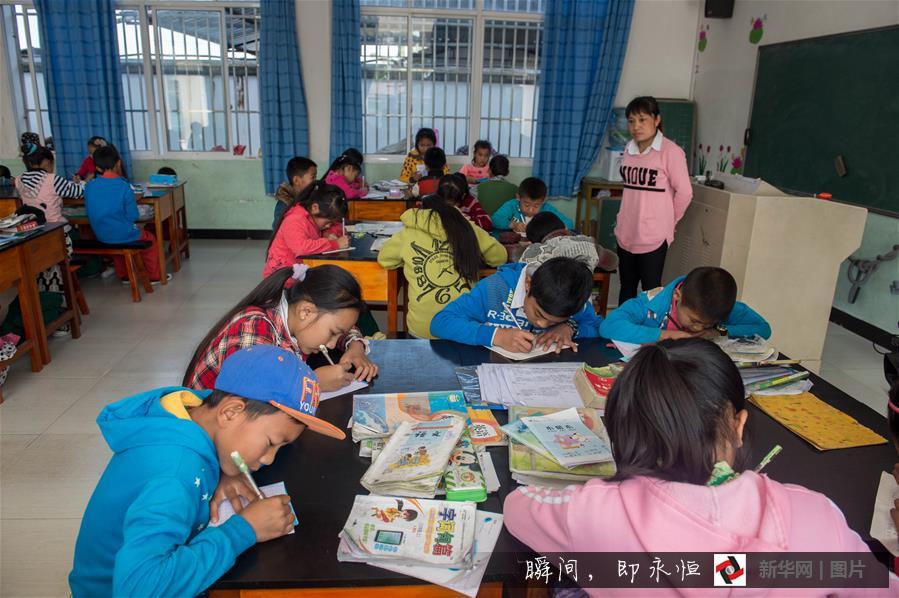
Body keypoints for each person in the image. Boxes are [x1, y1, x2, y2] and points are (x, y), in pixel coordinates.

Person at [503, 338, 898, 596]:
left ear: (621, 432)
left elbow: (518, 507)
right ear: (739, 424)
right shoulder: (816, 517)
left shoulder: (593, 511)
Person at [69, 346, 345, 597]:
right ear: (230, 413)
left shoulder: (192, 412)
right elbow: (139, 589)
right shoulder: (175, 474)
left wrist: (225, 472)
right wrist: (243, 530)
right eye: (271, 443)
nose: (270, 459)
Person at [184, 264, 377, 392]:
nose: (333, 344)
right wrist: (311, 383)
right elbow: (249, 398)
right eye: (333, 333)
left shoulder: (296, 317)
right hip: (208, 440)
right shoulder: (253, 329)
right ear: (306, 312)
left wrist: (355, 347)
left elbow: (342, 324)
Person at [378, 175, 506, 338]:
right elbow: (499, 257)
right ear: (460, 202)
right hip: (464, 328)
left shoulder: (409, 231)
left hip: (422, 330)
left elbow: (385, 258)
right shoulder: (468, 228)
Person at [430, 251, 602, 354]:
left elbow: (597, 328)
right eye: (538, 313)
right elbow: (440, 322)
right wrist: (496, 336)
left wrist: (570, 328)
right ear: (528, 284)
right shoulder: (494, 288)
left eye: (554, 321)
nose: (542, 324)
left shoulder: (572, 299)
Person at [615, 96, 692, 305]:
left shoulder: (671, 152)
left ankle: (649, 334)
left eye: (642, 120)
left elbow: (685, 192)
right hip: (626, 231)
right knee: (627, 285)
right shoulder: (629, 149)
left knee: (651, 288)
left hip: (653, 235)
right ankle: (622, 333)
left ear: (656, 120)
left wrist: (669, 221)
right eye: (631, 121)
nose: (636, 126)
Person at [600, 266, 770, 344]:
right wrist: (665, 335)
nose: (698, 328)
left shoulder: (719, 305)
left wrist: (717, 330)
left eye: (707, 323)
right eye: (694, 321)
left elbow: (763, 329)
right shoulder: (650, 303)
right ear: (677, 295)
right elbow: (609, 325)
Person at [84, 145, 166, 283]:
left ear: (97, 168)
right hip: (122, 234)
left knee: (116, 238)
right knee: (149, 239)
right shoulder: (124, 186)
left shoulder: (90, 186)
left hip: (101, 235)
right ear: (118, 163)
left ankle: (125, 276)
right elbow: (133, 216)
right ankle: (155, 276)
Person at [15, 142, 82, 294]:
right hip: (56, 234)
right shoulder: (52, 179)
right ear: (46, 162)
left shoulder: (18, 180)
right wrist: (80, 184)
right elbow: (78, 192)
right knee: (78, 233)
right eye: (52, 163)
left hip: (34, 234)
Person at [264, 182, 349, 278]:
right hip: (281, 278)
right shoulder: (294, 219)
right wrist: (335, 244)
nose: (329, 225)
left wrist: (329, 233)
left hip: (300, 271)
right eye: (327, 222)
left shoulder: (316, 216)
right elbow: (301, 248)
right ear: (314, 208)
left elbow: (337, 226)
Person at [525, 212, 618, 271]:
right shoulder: (587, 242)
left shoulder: (537, 251)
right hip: (581, 298)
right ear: (564, 227)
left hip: (547, 298)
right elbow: (613, 263)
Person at [491, 177, 573, 233]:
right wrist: (513, 225)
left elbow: (569, 223)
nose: (531, 210)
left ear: (543, 201)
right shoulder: (512, 205)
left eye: (536, 206)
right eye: (527, 205)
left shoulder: (546, 209)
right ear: (518, 198)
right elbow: (494, 220)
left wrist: (550, 228)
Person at [273, 156, 317, 230]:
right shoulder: (284, 206)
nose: (315, 181)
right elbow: (278, 231)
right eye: (312, 177)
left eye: (316, 177)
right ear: (296, 180)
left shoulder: (307, 198)